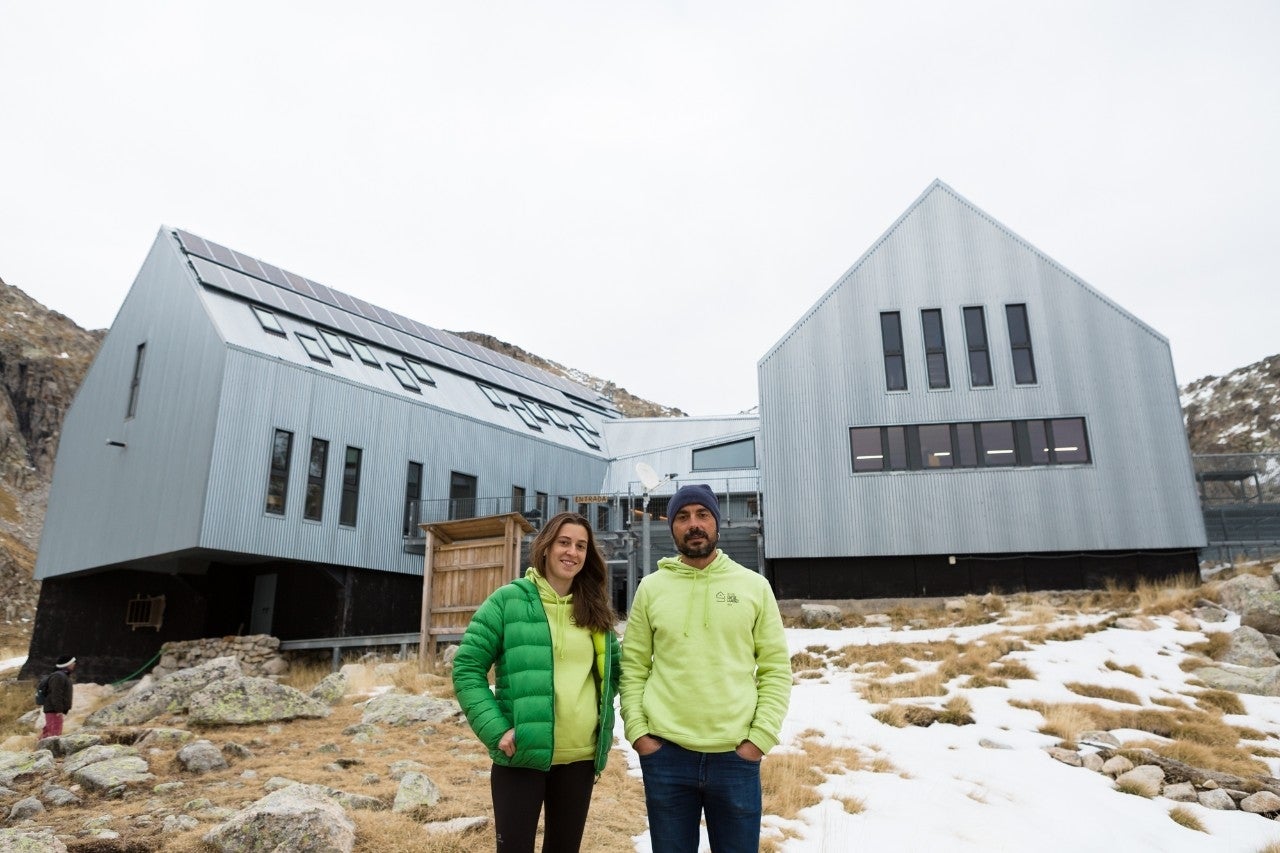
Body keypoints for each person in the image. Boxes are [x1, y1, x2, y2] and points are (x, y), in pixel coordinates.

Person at [620, 484, 791, 853]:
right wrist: (639, 732)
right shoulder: (651, 589)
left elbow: (776, 668)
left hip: (735, 755)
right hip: (666, 754)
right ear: (672, 527)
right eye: (683, 517)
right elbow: (632, 667)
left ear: (716, 522)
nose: (693, 524)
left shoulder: (754, 586)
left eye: (702, 515)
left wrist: (759, 738)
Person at [453, 512, 622, 853]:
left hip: (579, 759)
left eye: (580, 546)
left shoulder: (595, 611)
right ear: (545, 547)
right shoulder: (508, 601)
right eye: (564, 542)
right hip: (521, 756)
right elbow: (467, 668)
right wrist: (495, 729)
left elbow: (614, 677)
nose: (571, 552)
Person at [40, 655, 76, 739]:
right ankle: (48, 751)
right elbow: (55, 694)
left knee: (48, 733)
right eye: (72, 662)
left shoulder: (62, 675)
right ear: (67, 664)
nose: (74, 664)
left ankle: (37, 749)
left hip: (54, 709)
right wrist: (59, 709)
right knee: (54, 735)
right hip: (54, 710)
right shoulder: (58, 676)